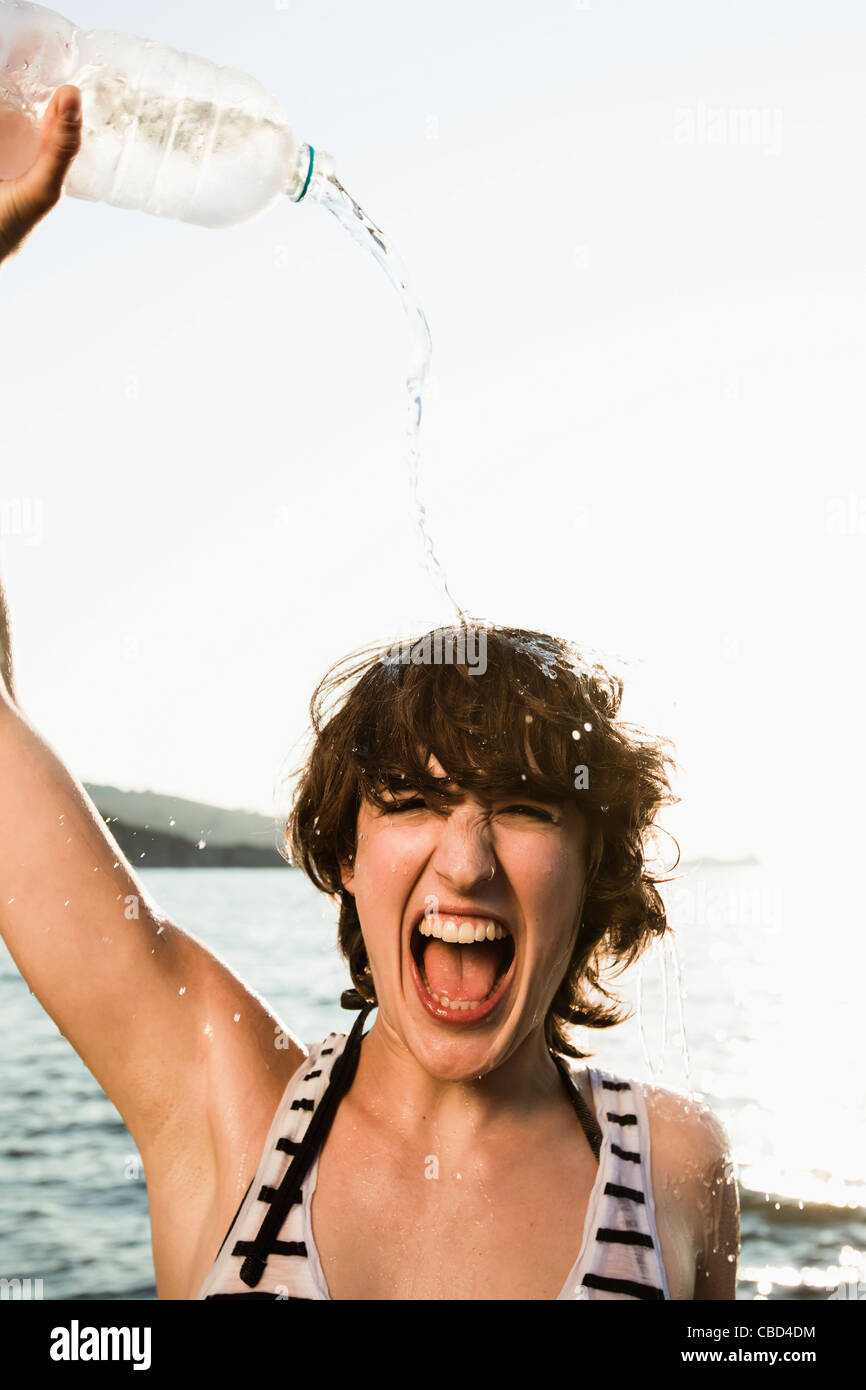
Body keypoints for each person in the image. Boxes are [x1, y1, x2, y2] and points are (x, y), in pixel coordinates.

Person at [0, 89, 739, 1301]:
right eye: (409, 800)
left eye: (521, 805)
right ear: (346, 852)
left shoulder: (673, 1166)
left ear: (592, 861)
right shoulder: (222, 1106)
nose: (463, 862)